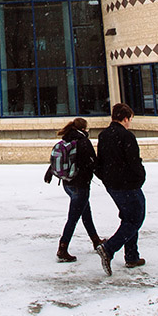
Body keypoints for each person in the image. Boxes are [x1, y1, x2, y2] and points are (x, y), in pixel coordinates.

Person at [94, 103, 146, 275]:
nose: (130, 123)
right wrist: (139, 178)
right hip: (128, 185)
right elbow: (134, 162)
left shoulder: (104, 135)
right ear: (125, 118)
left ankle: (132, 256)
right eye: (129, 119)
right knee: (136, 218)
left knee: (128, 217)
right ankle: (108, 249)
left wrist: (107, 178)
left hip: (113, 185)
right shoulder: (126, 136)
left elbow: (99, 162)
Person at [44, 117, 102, 263]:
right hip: (80, 184)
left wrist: (50, 172)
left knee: (85, 212)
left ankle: (96, 241)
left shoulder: (67, 139)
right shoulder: (83, 141)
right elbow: (91, 162)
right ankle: (63, 248)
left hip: (67, 183)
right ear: (84, 129)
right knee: (74, 217)